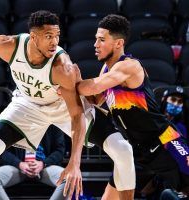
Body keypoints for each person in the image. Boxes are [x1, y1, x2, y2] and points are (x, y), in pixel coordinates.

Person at [0, 11, 135, 200]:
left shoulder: (62, 67)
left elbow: (76, 114)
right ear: (33, 37)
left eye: (57, 36)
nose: (54, 41)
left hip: (61, 107)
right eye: (49, 36)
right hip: (27, 105)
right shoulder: (8, 45)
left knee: (123, 149)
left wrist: (74, 163)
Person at [76, 14, 189, 198]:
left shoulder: (129, 66)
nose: (95, 44)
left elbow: (92, 87)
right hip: (135, 150)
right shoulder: (106, 69)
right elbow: (95, 99)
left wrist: (64, 82)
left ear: (119, 43)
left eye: (102, 40)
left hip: (163, 141)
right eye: (96, 39)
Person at [0, 125, 66, 200]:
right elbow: (3, 150)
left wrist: (43, 164)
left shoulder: (53, 123)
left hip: (45, 166)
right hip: (19, 167)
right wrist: (19, 164)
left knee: (69, 179)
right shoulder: (14, 120)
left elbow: (60, 150)